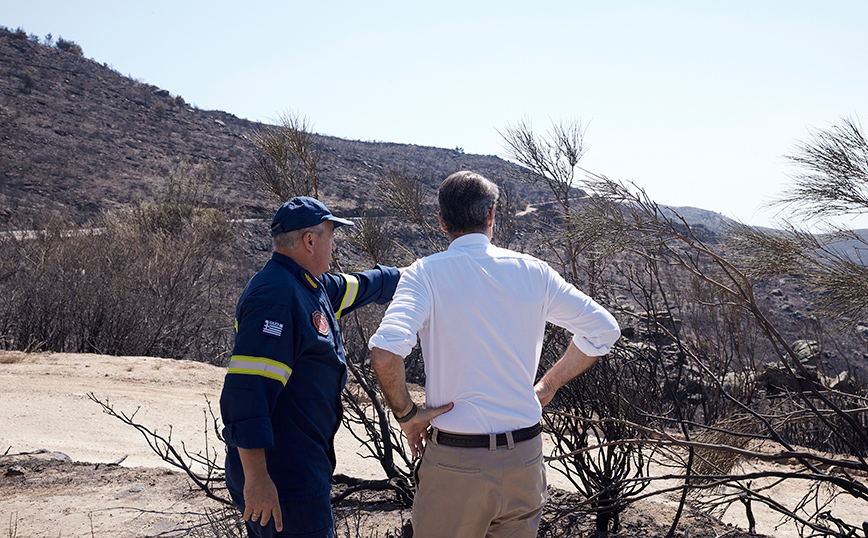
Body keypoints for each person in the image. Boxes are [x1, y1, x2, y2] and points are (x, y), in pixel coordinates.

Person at [368, 171, 620, 538]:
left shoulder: (425, 275)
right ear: (491, 216)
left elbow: (385, 351)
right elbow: (604, 330)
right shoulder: (534, 272)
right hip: (525, 459)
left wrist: (408, 415)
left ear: (441, 222)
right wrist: (548, 385)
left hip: (456, 463)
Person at [220, 196, 402, 538]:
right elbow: (247, 396)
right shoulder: (276, 296)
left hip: (302, 467)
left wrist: (426, 274)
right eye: (331, 237)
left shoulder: (311, 286)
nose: (334, 245)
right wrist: (258, 480)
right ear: (309, 241)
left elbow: (366, 285)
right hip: (283, 477)